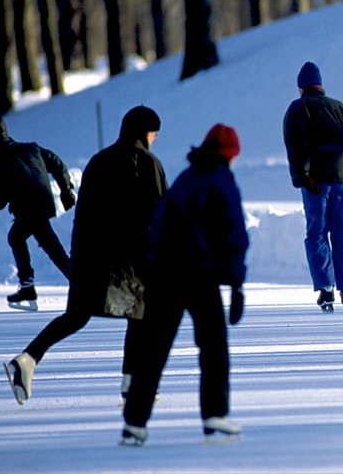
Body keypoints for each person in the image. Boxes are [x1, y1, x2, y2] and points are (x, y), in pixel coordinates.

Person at [3, 106, 167, 405]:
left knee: (77, 316)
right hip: (127, 259)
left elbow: (85, 212)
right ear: (146, 132)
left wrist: (78, 256)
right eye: (154, 133)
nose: (155, 139)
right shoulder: (145, 162)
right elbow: (158, 211)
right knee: (142, 311)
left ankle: (27, 359)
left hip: (89, 254)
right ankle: (133, 382)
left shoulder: (98, 160)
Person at [122, 124, 249, 446]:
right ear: (229, 155)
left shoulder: (186, 177)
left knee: (154, 349)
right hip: (199, 275)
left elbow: (161, 222)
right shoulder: (221, 180)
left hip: (164, 273)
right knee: (213, 347)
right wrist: (235, 284)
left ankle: (135, 423)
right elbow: (234, 233)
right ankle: (214, 415)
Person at [283, 61, 343, 312]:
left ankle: (326, 289)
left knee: (317, 232)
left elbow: (295, 146)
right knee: (341, 232)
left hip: (316, 180)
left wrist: (301, 176)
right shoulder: (339, 107)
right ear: (320, 85)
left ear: (301, 87)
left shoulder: (297, 108)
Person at [0, 117, 75, 311]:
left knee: (42, 245)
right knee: (25, 239)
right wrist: (66, 190)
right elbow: (57, 163)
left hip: (27, 208)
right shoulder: (30, 148)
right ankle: (29, 287)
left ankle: (78, 286)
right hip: (43, 202)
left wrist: (0, 195)